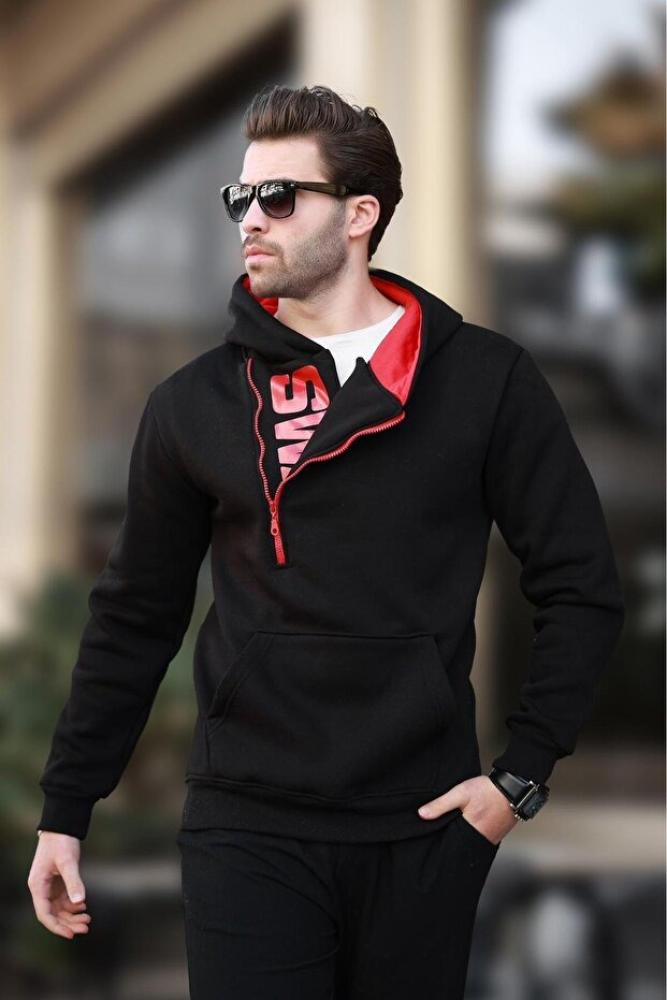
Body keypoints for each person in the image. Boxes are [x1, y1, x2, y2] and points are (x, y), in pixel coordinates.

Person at [28, 84, 625, 998]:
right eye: (240, 196)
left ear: (359, 214)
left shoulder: (483, 380)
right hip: (245, 824)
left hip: (424, 825)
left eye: (278, 196)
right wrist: (67, 808)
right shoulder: (193, 404)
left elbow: (579, 584)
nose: (250, 219)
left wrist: (518, 778)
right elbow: (134, 615)